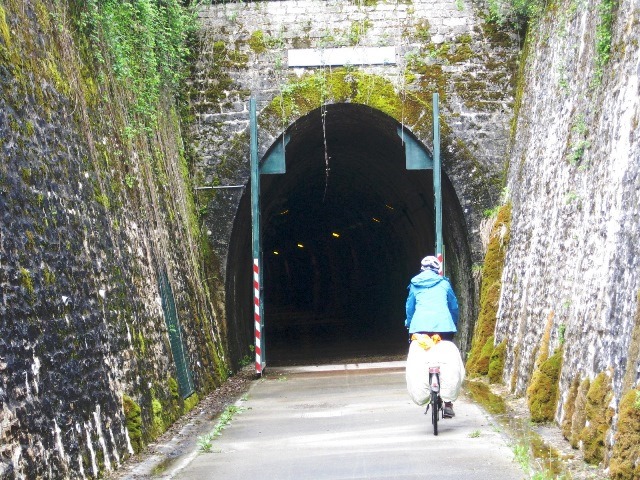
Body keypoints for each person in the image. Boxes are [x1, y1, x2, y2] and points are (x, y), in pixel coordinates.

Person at [405, 255, 459, 418]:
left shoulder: (415, 284)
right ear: (437, 270)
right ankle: (448, 403)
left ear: (422, 268)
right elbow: (454, 306)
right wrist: (453, 322)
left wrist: (409, 324)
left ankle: (425, 389)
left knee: (420, 359)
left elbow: (410, 307)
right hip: (444, 328)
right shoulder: (444, 284)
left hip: (419, 329)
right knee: (448, 360)